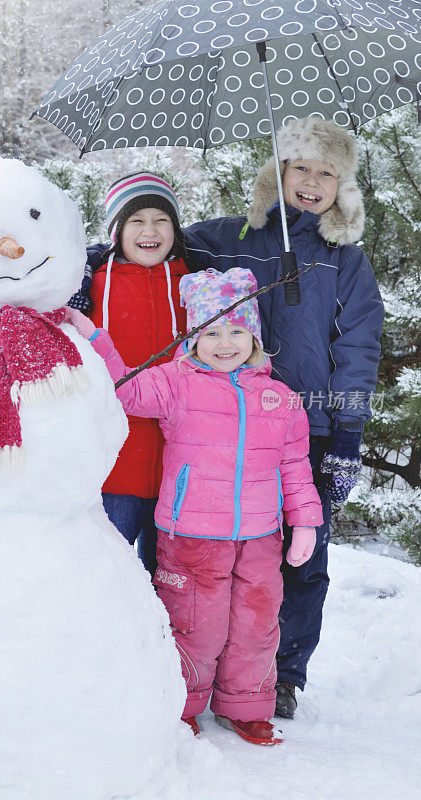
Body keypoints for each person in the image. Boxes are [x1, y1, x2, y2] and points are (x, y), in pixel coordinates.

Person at [85, 118, 384, 720]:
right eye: (300, 166)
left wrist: (347, 436)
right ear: (276, 173)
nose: (312, 182)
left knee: (299, 562)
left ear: (341, 189)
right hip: (216, 429)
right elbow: (155, 239)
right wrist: (98, 256)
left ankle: (280, 675)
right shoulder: (225, 238)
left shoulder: (344, 262)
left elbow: (359, 350)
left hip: (308, 430)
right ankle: (188, 671)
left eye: (328, 173)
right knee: (207, 564)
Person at [67, 267, 323, 745]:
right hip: (191, 533)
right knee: (193, 625)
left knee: (256, 626)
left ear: (254, 337)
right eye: (211, 333)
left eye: (236, 331)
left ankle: (245, 706)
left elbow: (296, 467)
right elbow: (125, 391)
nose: (225, 343)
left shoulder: (280, 398)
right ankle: (181, 704)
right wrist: (97, 338)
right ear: (192, 337)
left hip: (261, 536)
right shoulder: (173, 383)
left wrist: (305, 523)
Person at [87, 172, 189, 574]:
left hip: (177, 472)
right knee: (101, 578)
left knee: (168, 589)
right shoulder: (93, 284)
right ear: (117, 232)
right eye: (136, 220)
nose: (150, 230)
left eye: (161, 219)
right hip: (114, 469)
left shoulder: (194, 286)